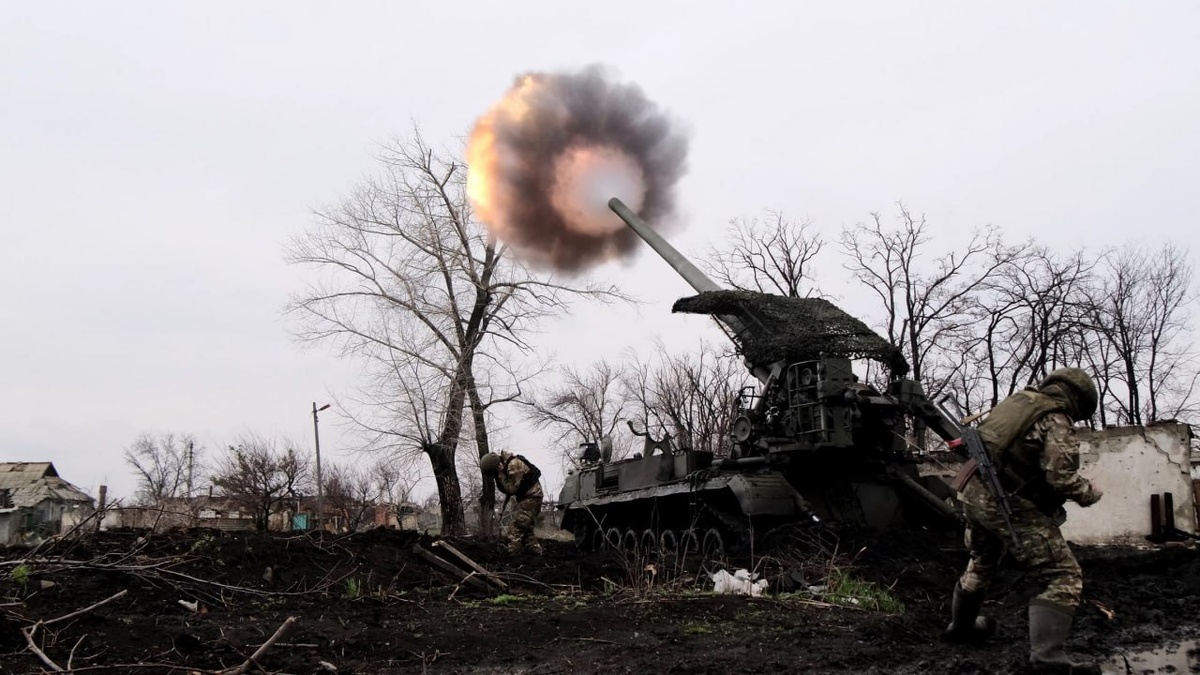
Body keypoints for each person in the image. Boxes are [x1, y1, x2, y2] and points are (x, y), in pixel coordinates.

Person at [942, 367, 1104, 674]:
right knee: (1064, 575)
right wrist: (1089, 492)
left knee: (982, 561)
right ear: (1078, 400)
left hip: (974, 495)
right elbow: (1061, 478)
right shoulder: (1055, 418)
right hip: (1007, 501)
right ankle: (1048, 658)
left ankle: (961, 627)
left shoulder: (1017, 403)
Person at [480, 451, 544, 554]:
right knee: (527, 531)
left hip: (532, 497)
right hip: (527, 497)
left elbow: (511, 489)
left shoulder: (514, 465)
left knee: (517, 528)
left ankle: (511, 553)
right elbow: (507, 489)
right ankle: (536, 551)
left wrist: (501, 475)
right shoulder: (506, 466)